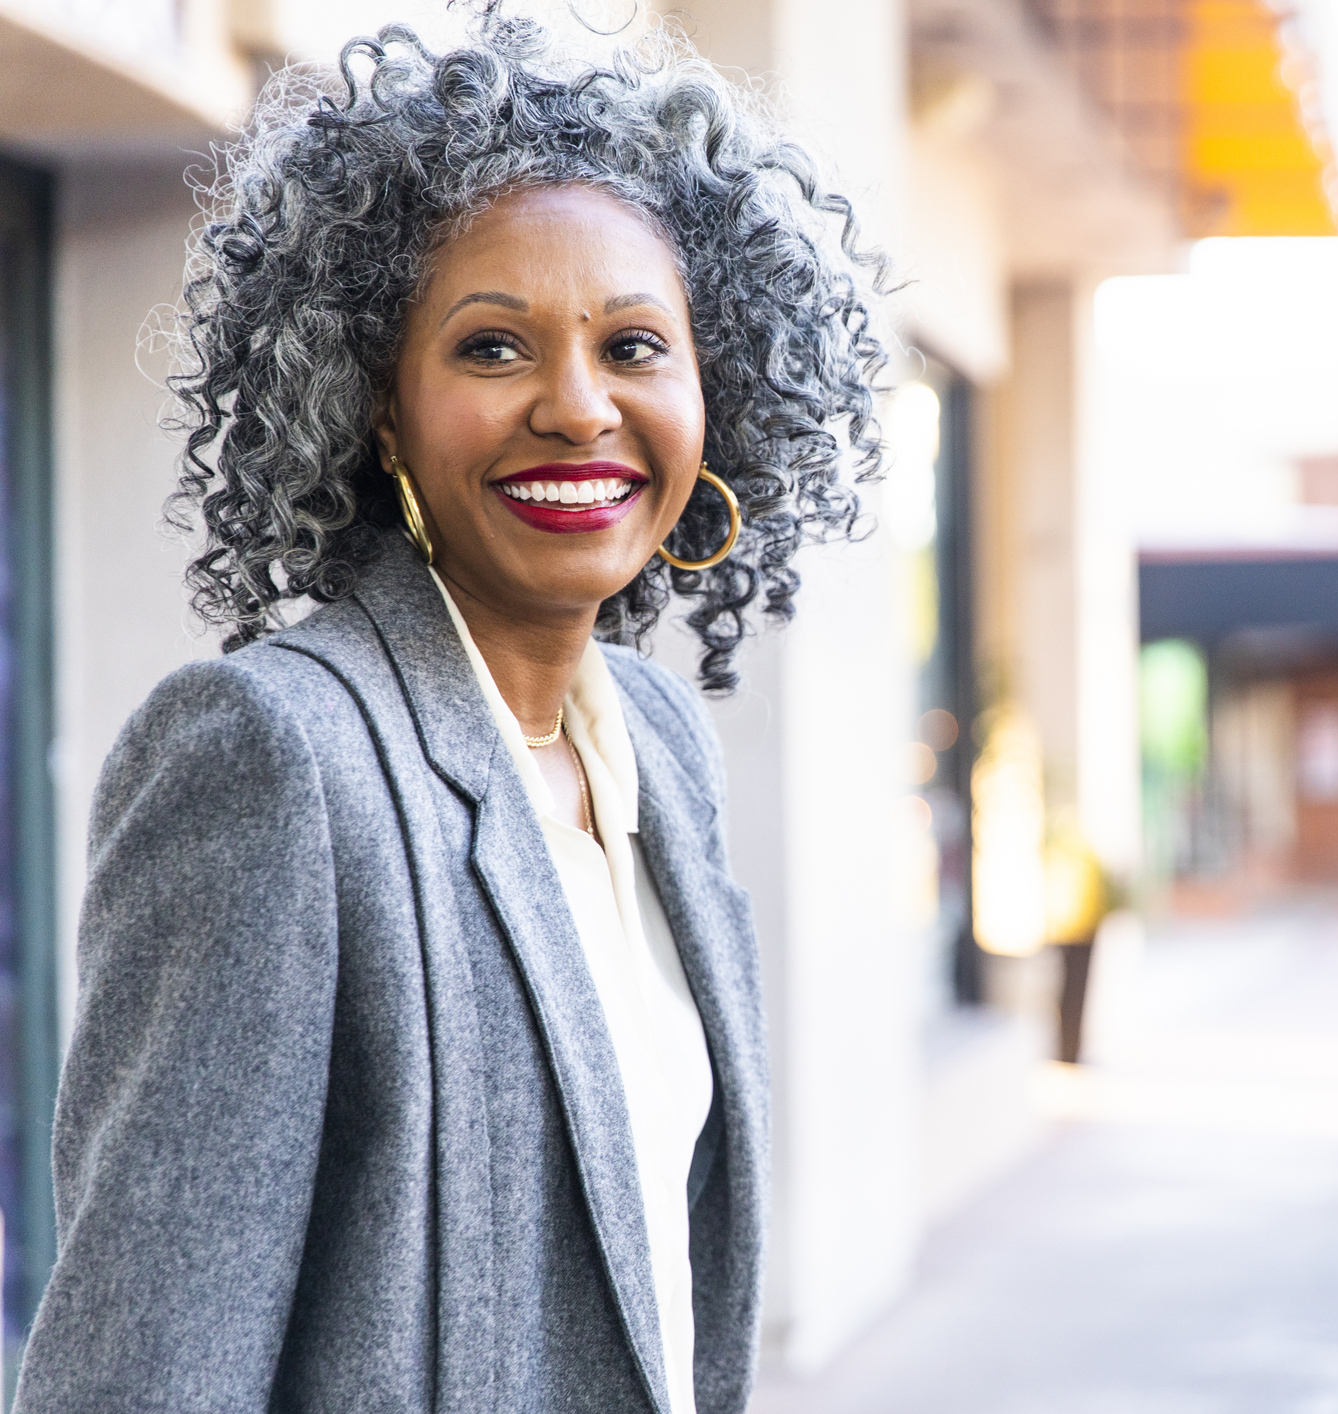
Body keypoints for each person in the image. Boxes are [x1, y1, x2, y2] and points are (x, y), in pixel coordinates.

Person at [15, 10, 883, 1412]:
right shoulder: (273, 760)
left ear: (712, 388)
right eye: (492, 348)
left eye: (635, 344)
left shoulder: (660, 746)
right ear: (378, 409)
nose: (577, 405)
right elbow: (140, 1374)